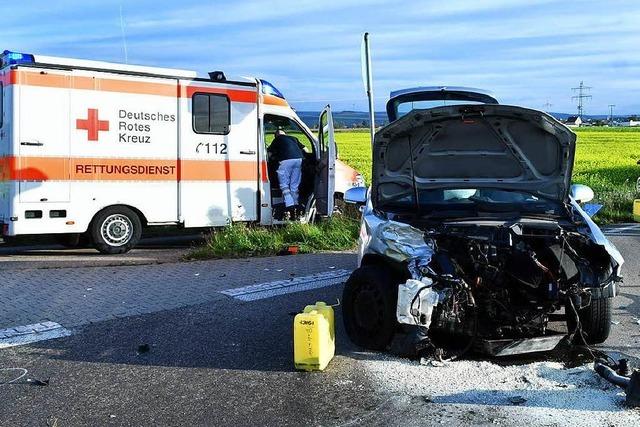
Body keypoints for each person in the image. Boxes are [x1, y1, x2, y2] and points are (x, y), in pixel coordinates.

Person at [268, 129, 304, 217]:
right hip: (299, 160)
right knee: (294, 185)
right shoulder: (293, 138)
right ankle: (296, 208)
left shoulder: (277, 139)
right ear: (285, 134)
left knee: (284, 185)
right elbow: (305, 149)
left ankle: (290, 206)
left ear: (276, 135)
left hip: (286, 161)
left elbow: (269, 154)